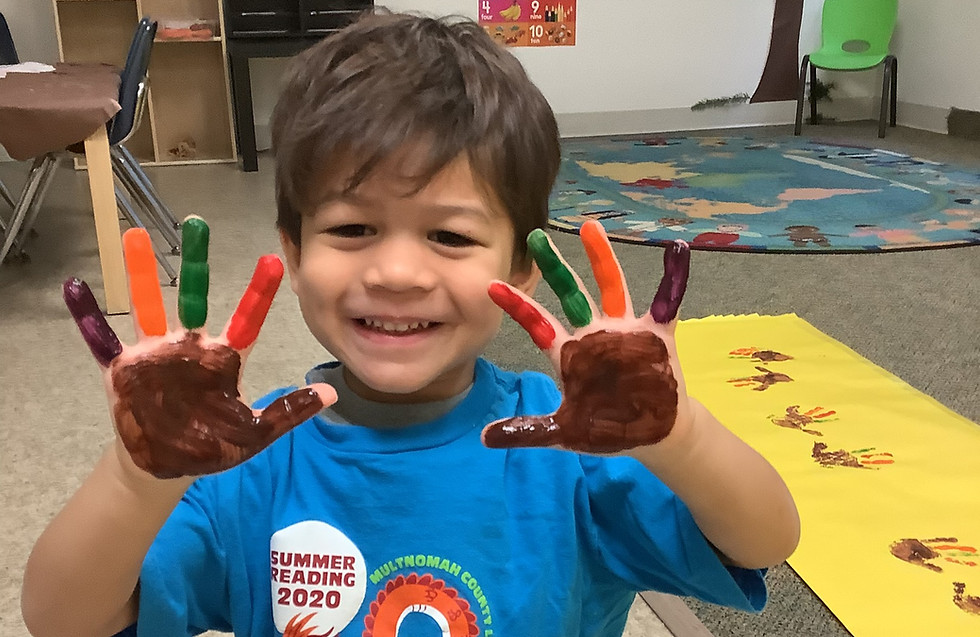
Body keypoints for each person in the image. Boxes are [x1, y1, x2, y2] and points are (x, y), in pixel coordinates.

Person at [22, 10, 800, 637]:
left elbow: (765, 540)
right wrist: (133, 481)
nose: (396, 273)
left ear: (521, 266)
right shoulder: (240, 461)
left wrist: (680, 437)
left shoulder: (577, 444)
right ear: (292, 250)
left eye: (451, 236)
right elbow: (63, 620)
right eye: (353, 229)